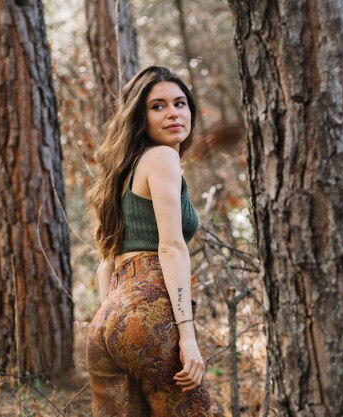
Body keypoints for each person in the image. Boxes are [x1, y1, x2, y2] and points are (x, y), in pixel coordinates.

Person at [86, 66, 212, 416]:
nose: (173, 112)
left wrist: (116, 320)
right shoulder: (162, 158)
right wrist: (187, 334)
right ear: (140, 117)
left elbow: (105, 264)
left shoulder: (121, 171)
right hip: (151, 310)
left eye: (180, 103)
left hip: (107, 320)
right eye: (158, 106)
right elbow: (170, 246)